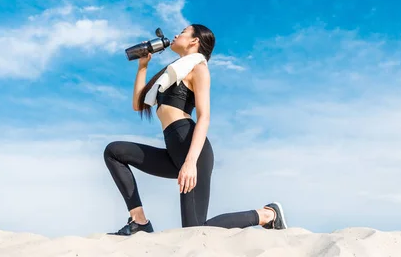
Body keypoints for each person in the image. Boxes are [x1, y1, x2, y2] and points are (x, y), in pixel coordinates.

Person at [104, 24, 287, 236]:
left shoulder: (199, 69)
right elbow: (138, 104)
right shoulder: (171, 73)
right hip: (174, 148)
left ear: (194, 41)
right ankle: (139, 221)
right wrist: (143, 66)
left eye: (182, 32)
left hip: (191, 148)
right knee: (114, 151)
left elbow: (204, 117)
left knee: (194, 230)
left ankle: (267, 214)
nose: (175, 35)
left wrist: (191, 162)